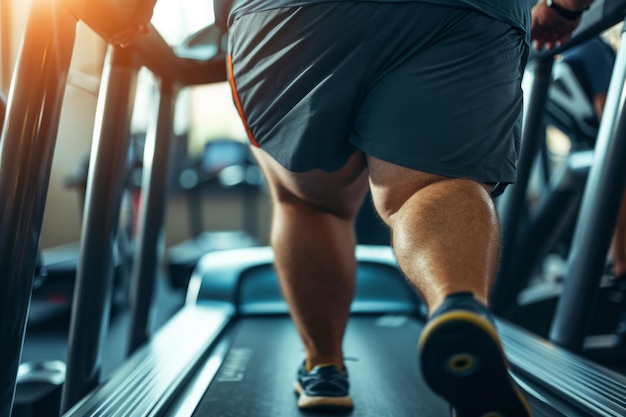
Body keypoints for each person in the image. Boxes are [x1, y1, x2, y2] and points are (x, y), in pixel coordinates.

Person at [116, 0, 590, 415]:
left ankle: (324, 368)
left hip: (292, 16)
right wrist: (568, 7)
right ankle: (457, 306)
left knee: (311, 203)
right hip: (469, 12)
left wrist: (123, 14)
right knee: (434, 185)